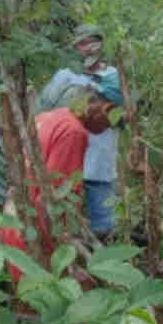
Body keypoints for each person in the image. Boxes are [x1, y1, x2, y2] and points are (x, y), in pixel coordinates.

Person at [0, 85, 115, 273]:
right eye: (112, 121)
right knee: (44, 299)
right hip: (33, 237)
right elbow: (55, 199)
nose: (108, 128)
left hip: (14, 223)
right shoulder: (74, 132)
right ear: (105, 108)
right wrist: (67, 260)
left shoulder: (49, 117)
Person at [39, 25, 124, 237]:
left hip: (100, 157)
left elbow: (124, 114)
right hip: (65, 154)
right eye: (82, 43)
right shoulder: (65, 75)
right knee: (62, 216)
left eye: (92, 42)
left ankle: (101, 263)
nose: (87, 49)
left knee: (104, 222)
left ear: (101, 45)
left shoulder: (113, 76)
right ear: (75, 47)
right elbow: (45, 109)